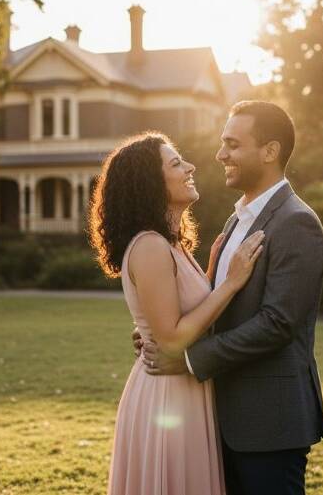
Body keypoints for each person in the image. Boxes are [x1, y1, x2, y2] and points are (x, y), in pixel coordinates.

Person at [140, 100, 323, 495]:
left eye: (232, 144)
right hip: (221, 417)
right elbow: (220, 307)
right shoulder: (237, 219)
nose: (220, 154)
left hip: (269, 423)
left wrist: (188, 360)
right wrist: (161, 331)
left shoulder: (297, 223)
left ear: (270, 151)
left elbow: (276, 324)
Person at [89, 131, 265, 495]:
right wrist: (230, 283)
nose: (190, 166)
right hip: (166, 394)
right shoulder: (150, 246)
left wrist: (213, 271)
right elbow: (171, 340)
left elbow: (177, 315)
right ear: (151, 184)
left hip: (184, 388)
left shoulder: (170, 244)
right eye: (175, 163)